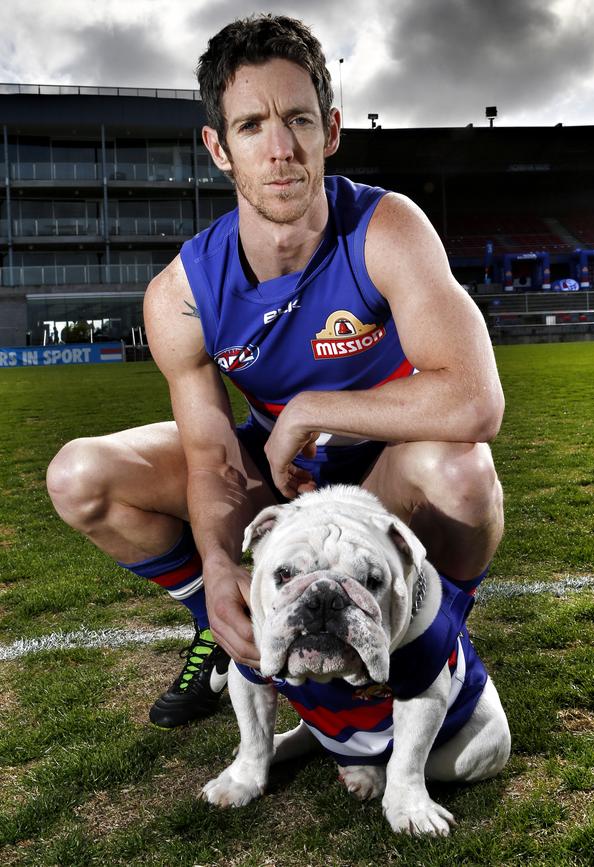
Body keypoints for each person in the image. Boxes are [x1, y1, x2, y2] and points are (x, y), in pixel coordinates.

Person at [46, 14, 504, 729]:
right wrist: (223, 564)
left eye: (298, 119)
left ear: (332, 130)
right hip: (276, 478)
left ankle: (431, 633)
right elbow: (211, 458)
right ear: (219, 148)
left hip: (387, 473)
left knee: (463, 471)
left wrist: (311, 409)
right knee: (80, 476)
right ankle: (224, 626)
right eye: (253, 125)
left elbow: (476, 401)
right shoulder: (183, 295)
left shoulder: (387, 230)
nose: (282, 149)